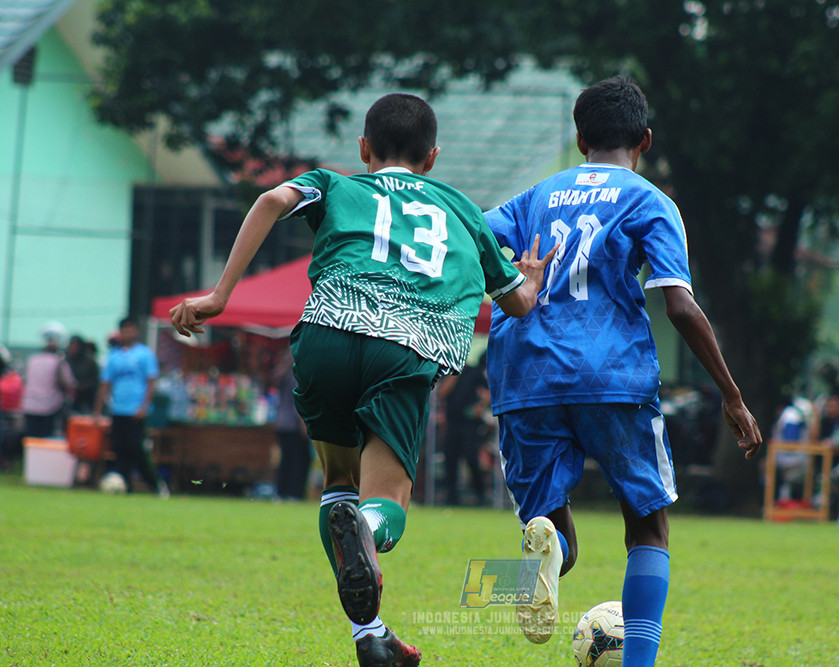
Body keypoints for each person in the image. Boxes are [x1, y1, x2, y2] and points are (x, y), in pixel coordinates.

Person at [168, 93, 554, 667]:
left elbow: (272, 198)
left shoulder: (337, 183)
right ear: (433, 156)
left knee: (338, 484)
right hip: (408, 345)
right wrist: (531, 276)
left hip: (327, 331)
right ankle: (369, 531)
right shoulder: (462, 210)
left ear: (364, 148)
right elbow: (519, 305)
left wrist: (220, 295)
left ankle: (369, 636)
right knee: (385, 502)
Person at [484, 77, 761, 665]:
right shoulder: (650, 201)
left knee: (556, 536)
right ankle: (637, 661)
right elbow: (679, 305)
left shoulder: (534, 196)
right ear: (646, 139)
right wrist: (732, 397)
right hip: (611, 374)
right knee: (648, 529)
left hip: (524, 372)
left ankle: (549, 546)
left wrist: (516, 284)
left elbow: (473, 241)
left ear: (579, 137)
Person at [93, 317, 169, 498]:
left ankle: (156, 484)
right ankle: (125, 486)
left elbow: (151, 382)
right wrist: (97, 411)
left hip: (136, 411)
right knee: (119, 449)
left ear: (136, 332)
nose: (128, 333)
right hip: (118, 409)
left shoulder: (145, 354)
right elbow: (105, 384)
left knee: (136, 448)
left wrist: (144, 406)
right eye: (124, 330)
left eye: (131, 329)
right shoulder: (113, 356)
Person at [440, 361, 492, 506]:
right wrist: (454, 375)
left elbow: (488, 393)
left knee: (471, 458)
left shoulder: (474, 372)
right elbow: (442, 393)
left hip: (470, 423)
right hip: (453, 422)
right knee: (450, 459)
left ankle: (480, 495)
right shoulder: (449, 372)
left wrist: (480, 406)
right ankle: (451, 496)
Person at [21, 322, 76, 438]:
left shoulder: (32, 359)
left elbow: (25, 380)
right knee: (46, 439)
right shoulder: (59, 361)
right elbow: (68, 384)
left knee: (31, 439)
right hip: (49, 407)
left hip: (30, 405)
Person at [274, 352, 313, 501]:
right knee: (300, 460)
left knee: (286, 460)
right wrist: (304, 425)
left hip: (282, 423)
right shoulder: (296, 374)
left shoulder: (283, 373)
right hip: (294, 424)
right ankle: (294, 493)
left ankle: (281, 491)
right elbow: (298, 402)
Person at [65, 335, 100, 414]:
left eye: (75, 345)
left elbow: (95, 381)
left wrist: (81, 386)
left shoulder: (90, 362)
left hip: (87, 400)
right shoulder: (66, 361)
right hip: (69, 400)